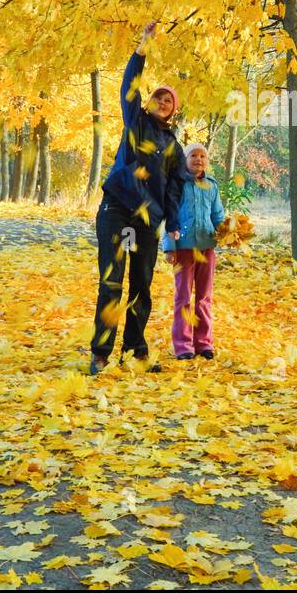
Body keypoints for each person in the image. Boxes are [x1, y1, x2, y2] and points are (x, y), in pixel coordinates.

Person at [90, 22, 186, 374]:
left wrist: (173, 223)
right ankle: (101, 352)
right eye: (158, 98)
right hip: (117, 207)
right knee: (112, 279)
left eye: (168, 101)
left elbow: (176, 187)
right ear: (149, 102)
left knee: (141, 285)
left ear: (172, 111)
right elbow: (128, 87)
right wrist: (142, 49)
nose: (162, 103)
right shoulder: (136, 121)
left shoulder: (173, 146)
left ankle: (134, 350)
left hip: (149, 219)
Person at [162, 143, 226, 360]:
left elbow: (217, 215)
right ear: (185, 159)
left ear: (207, 161)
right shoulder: (177, 185)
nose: (198, 159)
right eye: (193, 155)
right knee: (183, 298)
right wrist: (169, 247)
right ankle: (183, 346)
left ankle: (204, 343)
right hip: (184, 250)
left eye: (203, 156)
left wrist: (228, 232)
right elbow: (170, 217)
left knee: (204, 298)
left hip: (206, 248)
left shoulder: (212, 186)